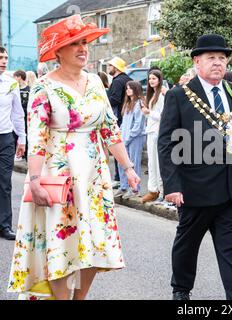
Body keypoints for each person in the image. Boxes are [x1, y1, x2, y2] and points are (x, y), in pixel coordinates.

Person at [7, 14, 140, 300]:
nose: (83, 49)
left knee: (95, 241)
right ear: (58, 52)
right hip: (59, 174)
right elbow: (37, 139)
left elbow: (110, 129)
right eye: (74, 44)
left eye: (84, 43)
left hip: (94, 176)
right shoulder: (43, 87)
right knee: (62, 243)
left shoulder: (94, 82)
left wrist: (128, 167)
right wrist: (34, 179)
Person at [158, 34, 232, 300]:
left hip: (231, 190)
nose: (218, 63)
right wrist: (172, 185)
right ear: (197, 61)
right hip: (194, 189)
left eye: (222, 58)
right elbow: (166, 143)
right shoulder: (179, 95)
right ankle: (181, 290)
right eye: (211, 58)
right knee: (187, 245)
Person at [0, 47, 26, 241]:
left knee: (5, 183)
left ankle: (5, 225)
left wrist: (22, 139)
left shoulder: (11, 83)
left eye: (5, 58)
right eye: (0, 57)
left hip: (6, 138)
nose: (4, 61)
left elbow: (18, 114)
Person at [115, 81, 146, 199]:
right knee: (122, 162)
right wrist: (121, 135)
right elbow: (124, 123)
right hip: (125, 138)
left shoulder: (139, 104)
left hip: (135, 138)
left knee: (134, 162)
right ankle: (123, 186)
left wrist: (129, 137)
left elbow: (138, 124)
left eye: (130, 88)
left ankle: (135, 189)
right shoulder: (127, 103)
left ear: (136, 89)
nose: (127, 90)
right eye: (127, 88)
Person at [107, 56, 133, 187]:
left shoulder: (117, 81)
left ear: (116, 67)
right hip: (127, 116)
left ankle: (118, 178)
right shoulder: (128, 79)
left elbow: (115, 99)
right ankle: (123, 179)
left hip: (119, 118)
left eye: (110, 65)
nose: (109, 68)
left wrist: (104, 104)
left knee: (118, 148)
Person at [141, 69, 165, 203]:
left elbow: (162, 116)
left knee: (157, 162)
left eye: (154, 79)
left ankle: (161, 191)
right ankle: (153, 189)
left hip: (157, 132)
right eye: (150, 79)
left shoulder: (161, 95)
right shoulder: (153, 94)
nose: (151, 81)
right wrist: (146, 112)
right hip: (150, 131)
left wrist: (148, 112)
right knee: (151, 162)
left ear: (159, 79)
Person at [13, 70, 30, 161]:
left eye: (15, 77)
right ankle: (17, 154)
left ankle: (25, 155)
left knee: (25, 135)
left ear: (19, 77)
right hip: (15, 118)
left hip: (26, 118)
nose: (13, 79)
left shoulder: (29, 90)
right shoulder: (15, 90)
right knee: (14, 135)